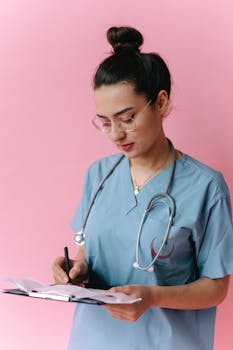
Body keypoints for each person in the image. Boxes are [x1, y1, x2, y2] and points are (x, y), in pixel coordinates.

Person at [52, 26, 233, 350]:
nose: (115, 135)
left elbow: (217, 287)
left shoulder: (206, 187)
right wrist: (75, 270)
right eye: (105, 122)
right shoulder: (99, 175)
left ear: (160, 102)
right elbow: (90, 250)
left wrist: (151, 296)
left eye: (127, 118)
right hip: (92, 340)